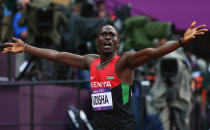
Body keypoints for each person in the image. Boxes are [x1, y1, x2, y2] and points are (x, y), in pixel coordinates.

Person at [1, 21, 208, 129]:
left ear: (117, 42)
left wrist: (181, 42)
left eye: (112, 35)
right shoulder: (90, 62)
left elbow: (152, 53)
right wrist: (27, 47)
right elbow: (57, 56)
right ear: (97, 42)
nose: (107, 37)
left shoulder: (125, 62)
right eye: (103, 34)